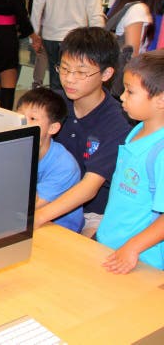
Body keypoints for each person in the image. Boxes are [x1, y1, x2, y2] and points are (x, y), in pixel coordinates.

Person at [33, 27, 132, 238]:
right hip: (45, 192)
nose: (69, 79)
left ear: (106, 74)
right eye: (65, 69)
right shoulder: (53, 103)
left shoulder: (116, 123)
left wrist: (38, 217)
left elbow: (89, 187)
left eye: (81, 72)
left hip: (91, 213)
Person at [97, 51, 164, 272]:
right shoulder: (136, 130)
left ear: (161, 100)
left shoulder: (160, 151)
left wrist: (133, 248)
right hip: (112, 246)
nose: (122, 97)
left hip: (142, 259)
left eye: (130, 91)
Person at [16, 88, 84, 233]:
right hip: (26, 219)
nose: (22, 122)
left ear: (53, 128)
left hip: (60, 229)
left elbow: (29, 205)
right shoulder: (14, 150)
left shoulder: (64, 165)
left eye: (32, 119)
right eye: (20, 115)